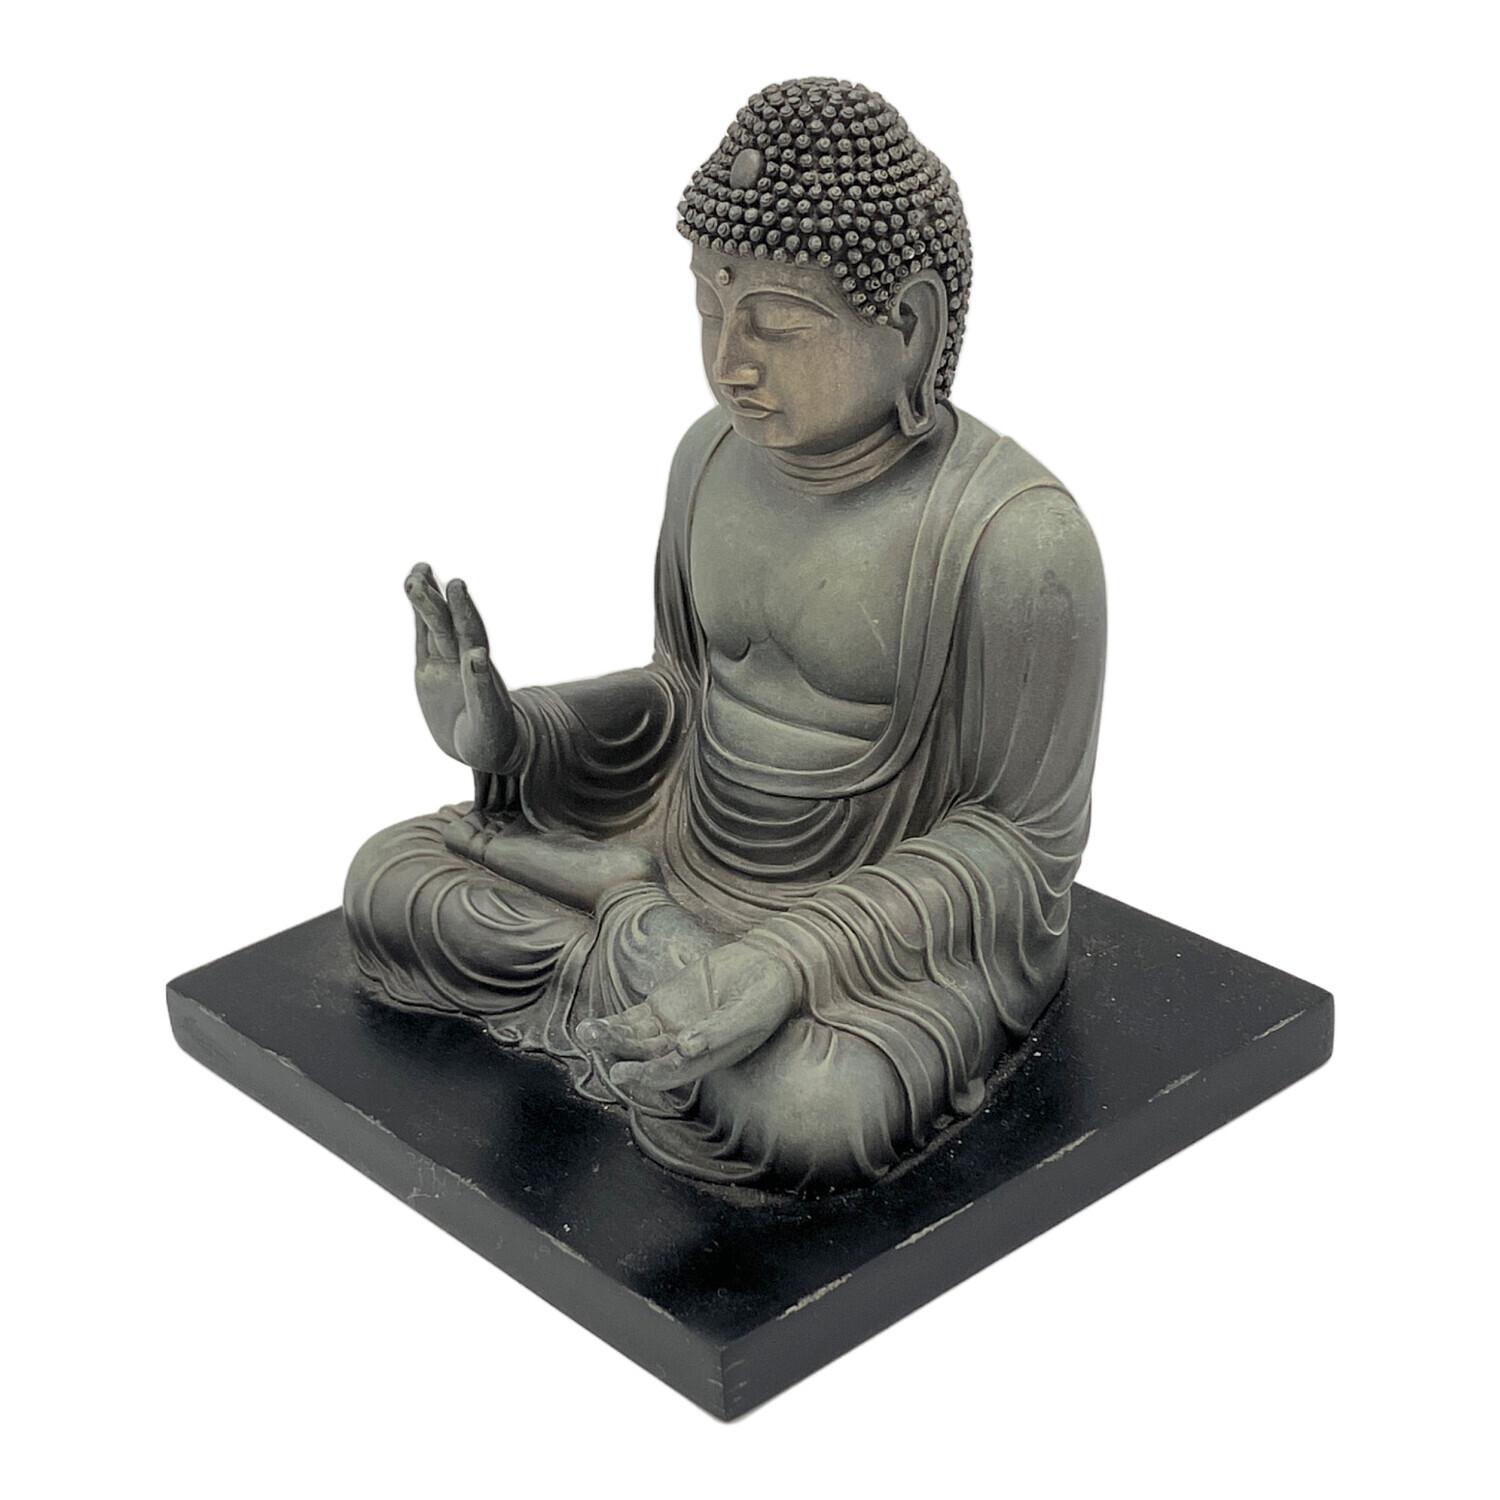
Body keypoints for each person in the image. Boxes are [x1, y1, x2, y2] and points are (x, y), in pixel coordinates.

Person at [344, 79, 1106, 1191]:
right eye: (709, 306)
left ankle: (627, 928)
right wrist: (521, 734)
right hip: (681, 856)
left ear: (912, 327)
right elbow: (681, 698)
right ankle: (635, 926)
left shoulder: (1015, 540)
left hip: (868, 951)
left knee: (809, 1105)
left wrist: (789, 958)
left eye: (778, 324)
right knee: (387, 879)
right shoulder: (706, 459)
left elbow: (1020, 845)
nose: (731, 360)